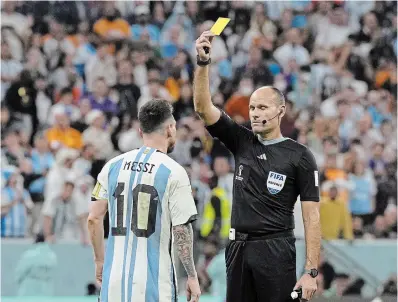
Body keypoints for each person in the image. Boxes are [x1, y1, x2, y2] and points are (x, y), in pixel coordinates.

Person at [193, 31, 322, 302]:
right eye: (252, 108)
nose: (255, 113)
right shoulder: (242, 141)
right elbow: (203, 108)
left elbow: (311, 217)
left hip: (275, 249)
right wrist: (203, 64)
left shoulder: (299, 156)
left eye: (262, 107)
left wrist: (311, 270)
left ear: (281, 111)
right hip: (237, 248)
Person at [88, 99, 201, 302]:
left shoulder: (112, 166)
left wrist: (99, 260)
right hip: (155, 285)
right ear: (170, 128)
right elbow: (181, 229)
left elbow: (94, 219)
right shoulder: (174, 172)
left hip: (113, 282)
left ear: (141, 132)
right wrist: (192, 276)